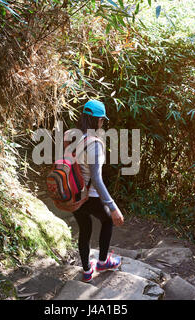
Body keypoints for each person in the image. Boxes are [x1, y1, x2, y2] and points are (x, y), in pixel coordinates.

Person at [71, 99, 125, 283]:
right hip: (90, 196)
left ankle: (87, 270)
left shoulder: (74, 137)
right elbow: (96, 179)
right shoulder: (94, 143)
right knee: (108, 220)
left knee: (84, 229)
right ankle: (102, 261)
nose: (102, 123)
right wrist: (113, 206)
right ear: (96, 120)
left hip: (74, 194)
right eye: (102, 120)